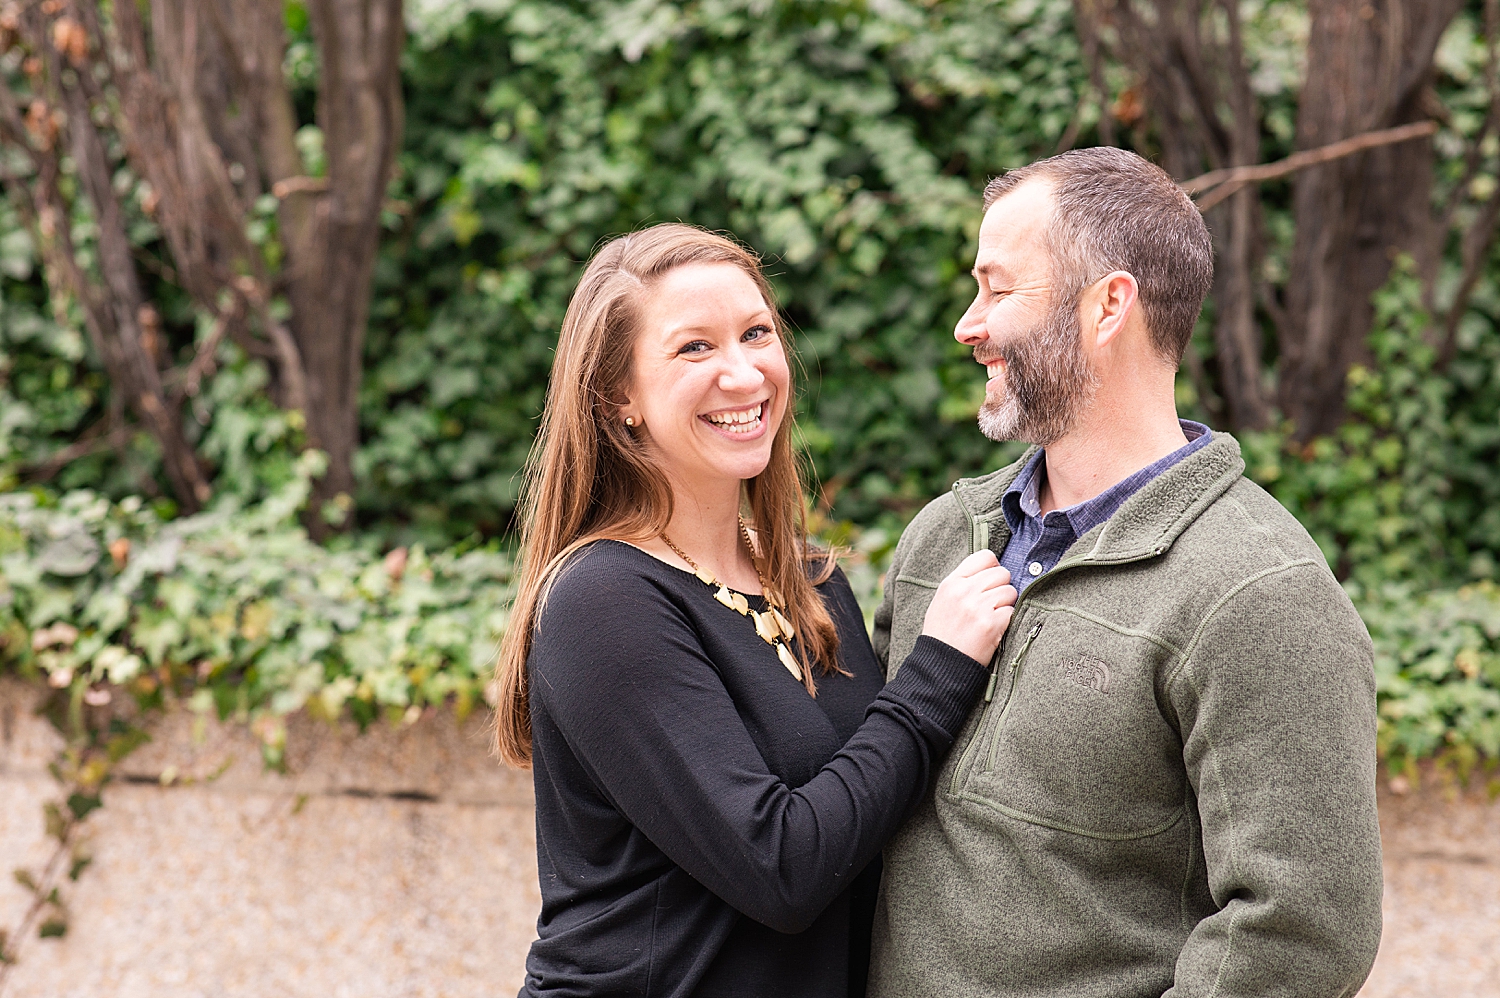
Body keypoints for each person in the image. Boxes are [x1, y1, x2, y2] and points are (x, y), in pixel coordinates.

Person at [868, 147, 1384, 997]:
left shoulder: (1260, 594)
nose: (968, 323)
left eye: (998, 289)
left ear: (1108, 305)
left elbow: (1303, 932)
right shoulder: (941, 539)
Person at [493, 223, 1018, 998]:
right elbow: (783, 866)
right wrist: (937, 672)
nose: (743, 375)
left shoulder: (809, 581)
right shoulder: (604, 602)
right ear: (618, 399)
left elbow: (872, 816)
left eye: (756, 333)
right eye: (694, 349)